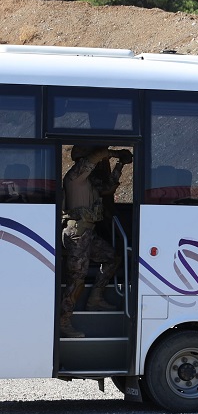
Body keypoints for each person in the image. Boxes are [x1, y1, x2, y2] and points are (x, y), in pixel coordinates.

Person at [59, 145, 130, 338]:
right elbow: (96, 156)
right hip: (77, 234)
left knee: (112, 258)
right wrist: (115, 154)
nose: (97, 165)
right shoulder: (75, 178)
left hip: (87, 234)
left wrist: (120, 165)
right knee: (76, 279)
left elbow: (109, 188)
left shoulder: (89, 181)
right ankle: (64, 321)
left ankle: (95, 299)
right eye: (93, 162)